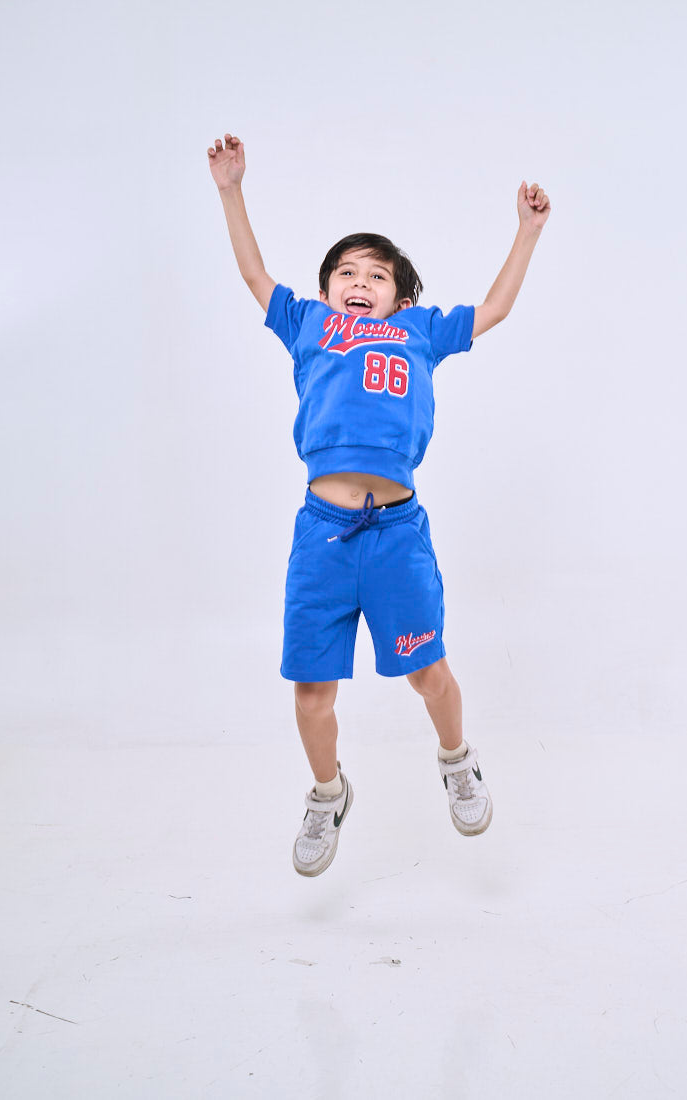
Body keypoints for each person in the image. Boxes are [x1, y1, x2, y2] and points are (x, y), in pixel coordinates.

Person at [207, 132, 551, 877]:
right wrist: (231, 189)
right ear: (327, 290)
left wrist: (526, 231)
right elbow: (254, 273)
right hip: (323, 536)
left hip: (396, 533)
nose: (359, 282)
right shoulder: (309, 324)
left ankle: (457, 760)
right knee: (311, 692)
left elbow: (495, 308)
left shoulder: (418, 332)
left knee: (429, 673)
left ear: (401, 298)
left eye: (377, 275)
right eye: (346, 273)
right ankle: (328, 793)